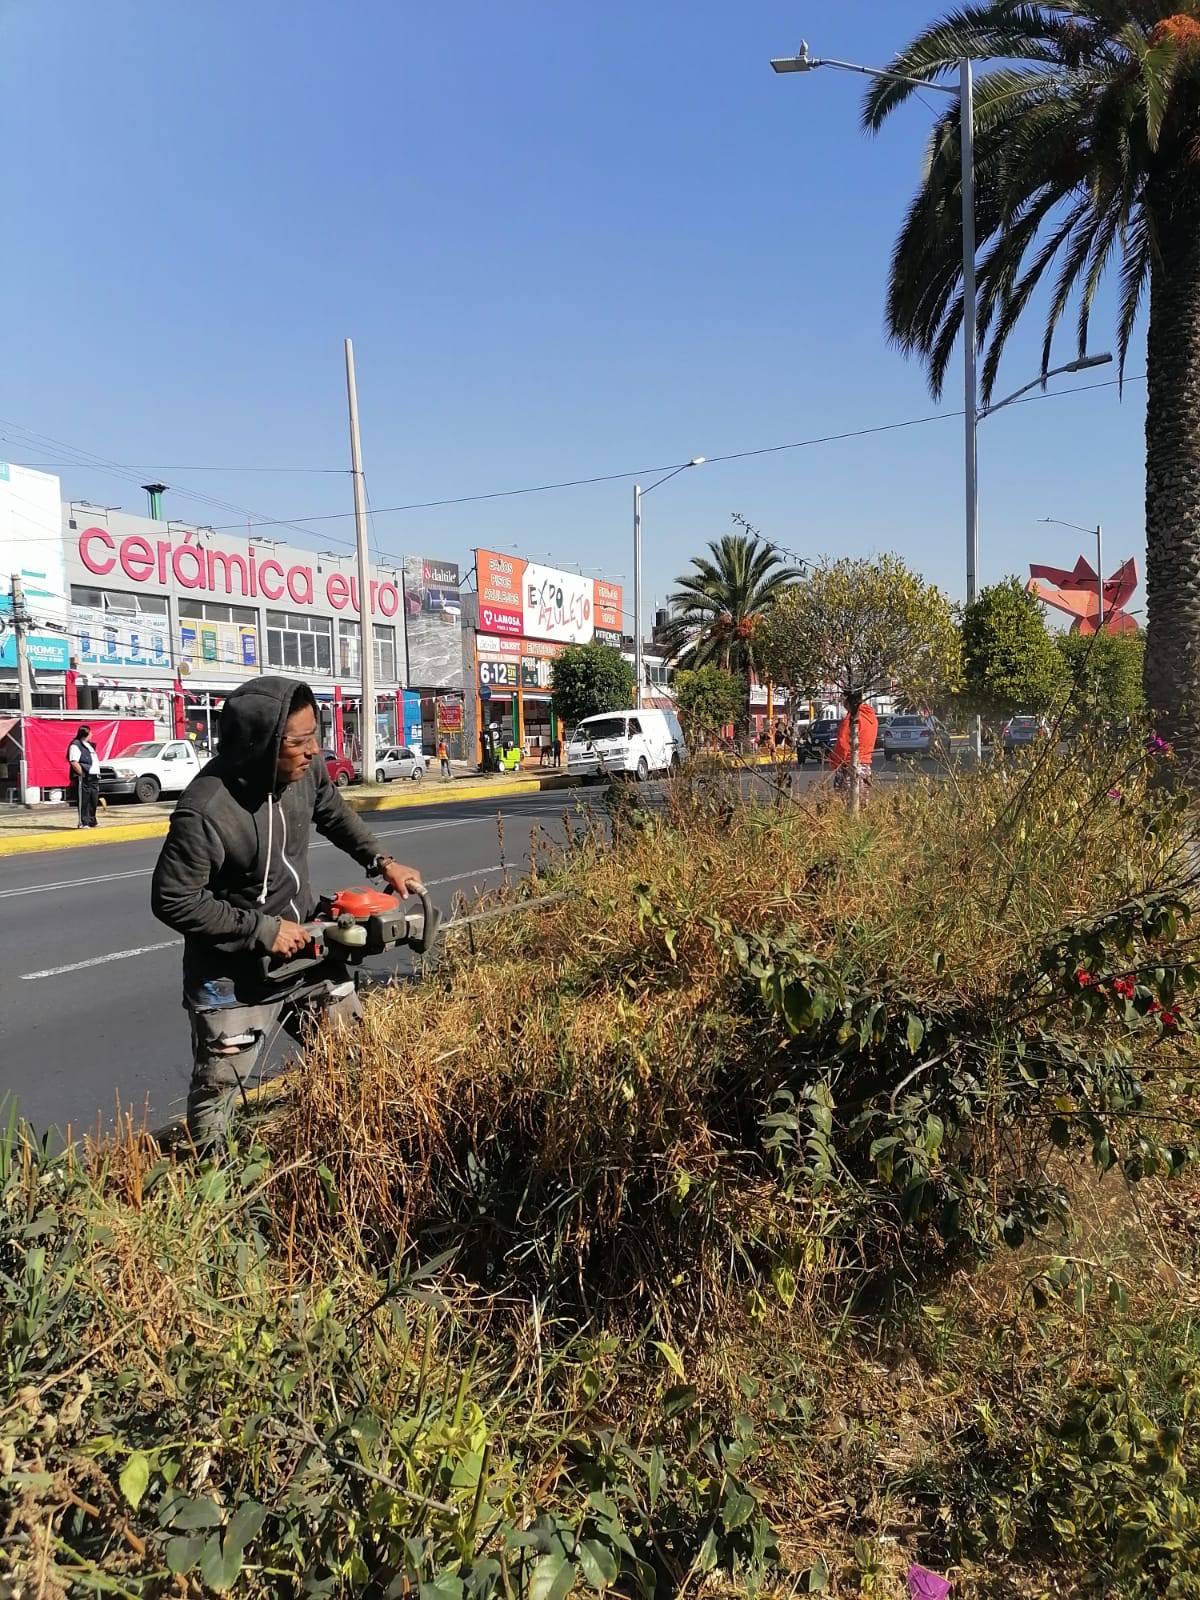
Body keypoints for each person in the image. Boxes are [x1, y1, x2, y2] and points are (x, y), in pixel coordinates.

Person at [151, 676, 422, 1154]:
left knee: (352, 1059)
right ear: (260, 746)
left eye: (314, 735)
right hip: (232, 978)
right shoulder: (206, 811)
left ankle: (352, 1154)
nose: (315, 751)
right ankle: (213, 1191)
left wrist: (382, 861)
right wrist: (262, 930)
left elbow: (334, 813)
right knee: (219, 1095)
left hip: (308, 953)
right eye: (299, 742)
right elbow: (174, 898)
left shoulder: (304, 775)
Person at [67, 724, 101, 829]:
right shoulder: (76, 745)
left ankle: (92, 820)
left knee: (93, 799)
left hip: (94, 775)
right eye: (90, 732)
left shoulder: (89, 745)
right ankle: (83, 822)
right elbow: (73, 761)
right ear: (85, 733)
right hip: (85, 776)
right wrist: (81, 773)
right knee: (84, 800)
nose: (92, 734)